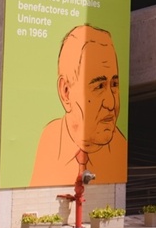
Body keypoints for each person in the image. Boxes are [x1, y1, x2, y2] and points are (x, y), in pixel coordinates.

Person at [31, 25, 128, 186]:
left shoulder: (120, 148)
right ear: (66, 92)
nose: (111, 103)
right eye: (99, 86)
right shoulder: (48, 141)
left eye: (115, 84)